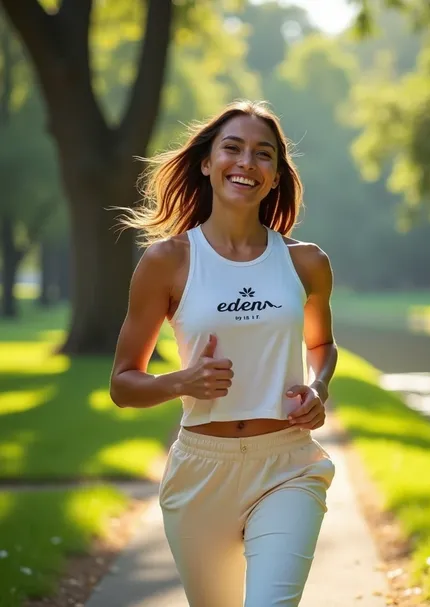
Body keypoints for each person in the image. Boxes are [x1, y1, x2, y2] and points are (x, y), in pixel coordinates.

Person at [110, 99, 338, 607]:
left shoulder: (307, 264)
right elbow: (123, 384)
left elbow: (320, 344)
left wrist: (318, 388)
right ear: (207, 162)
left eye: (264, 154)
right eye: (232, 148)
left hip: (287, 465)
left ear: (276, 176)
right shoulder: (167, 262)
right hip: (201, 472)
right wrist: (181, 382)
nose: (246, 163)